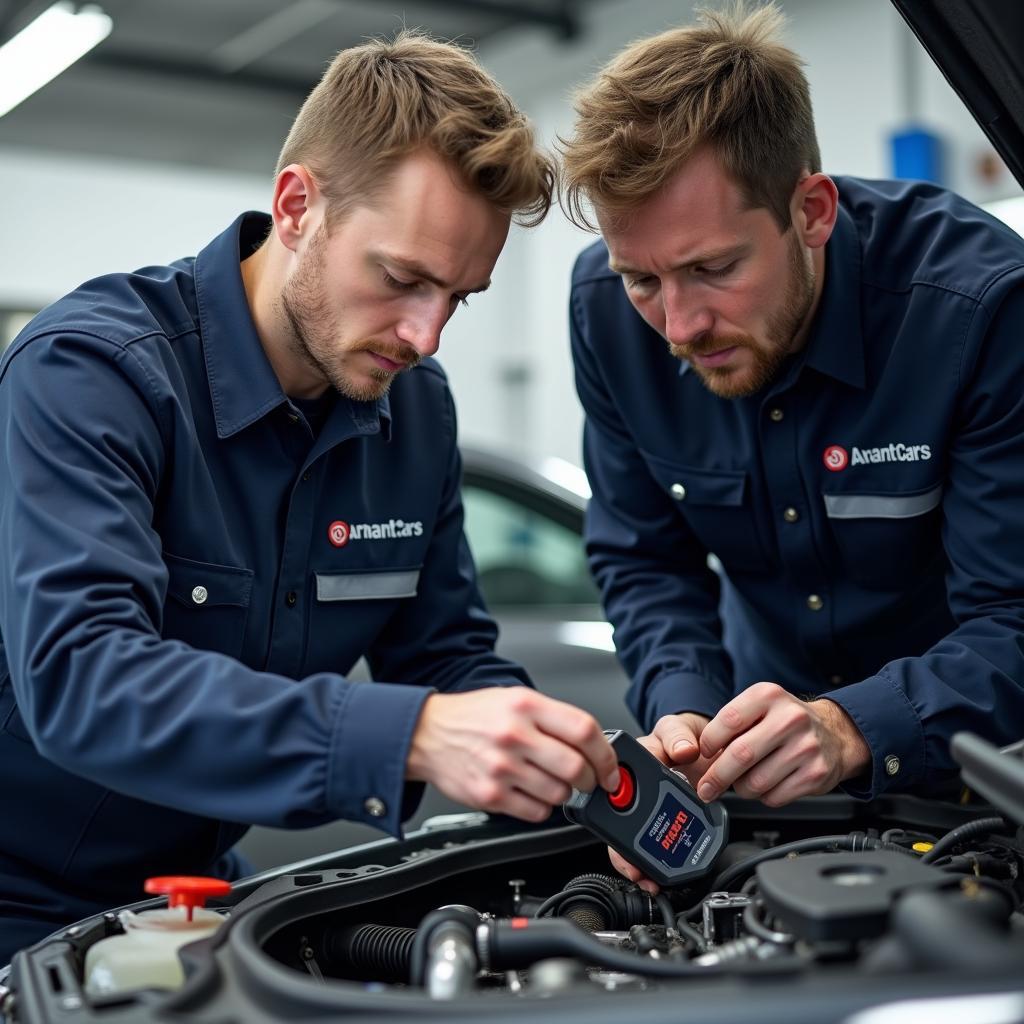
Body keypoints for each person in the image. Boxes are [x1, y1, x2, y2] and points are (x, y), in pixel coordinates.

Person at [0, 32, 620, 959]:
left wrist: (569, 762)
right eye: (403, 279)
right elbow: (86, 680)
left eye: (459, 297)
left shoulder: (415, 412)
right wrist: (411, 736)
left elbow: (446, 655)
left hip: (201, 896)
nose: (425, 336)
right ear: (299, 207)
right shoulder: (92, 375)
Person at [558, 5, 1024, 887]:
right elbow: (645, 558)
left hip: (978, 779)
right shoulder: (605, 318)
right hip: (761, 788)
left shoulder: (977, 311)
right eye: (642, 279)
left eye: (714, 268)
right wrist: (684, 717)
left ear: (811, 211)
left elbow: (1017, 617)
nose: (680, 326)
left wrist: (856, 726)